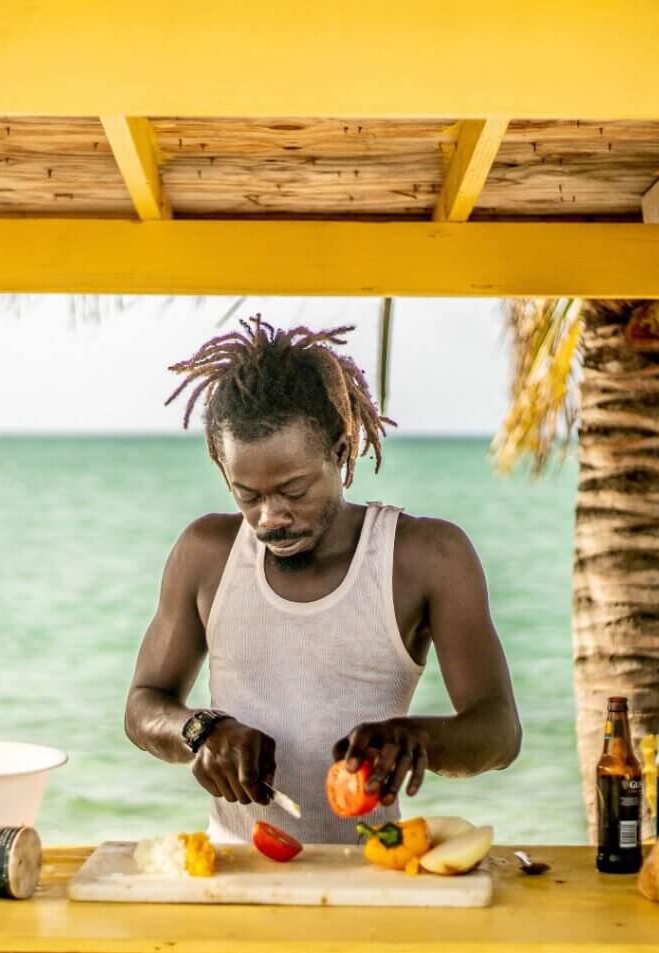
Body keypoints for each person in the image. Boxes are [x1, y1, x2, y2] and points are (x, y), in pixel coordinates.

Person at [124, 316, 521, 843]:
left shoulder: (428, 557)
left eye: (293, 491)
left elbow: (499, 731)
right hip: (238, 871)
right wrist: (201, 731)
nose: (270, 517)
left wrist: (412, 738)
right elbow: (143, 705)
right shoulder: (205, 554)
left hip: (376, 873)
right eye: (247, 495)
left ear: (340, 451)